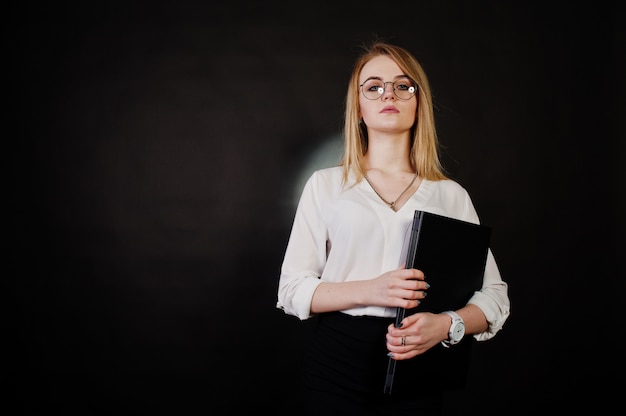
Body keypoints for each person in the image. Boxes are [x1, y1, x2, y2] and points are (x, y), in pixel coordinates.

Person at [276, 39, 510, 416]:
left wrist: (446, 325)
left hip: (420, 363)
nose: (390, 94)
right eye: (374, 86)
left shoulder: (450, 196)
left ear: (419, 103)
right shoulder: (325, 185)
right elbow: (292, 290)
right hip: (337, 363)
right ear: (359, 107)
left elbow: (495, 296)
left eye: (404, 85)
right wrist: (372, 289)